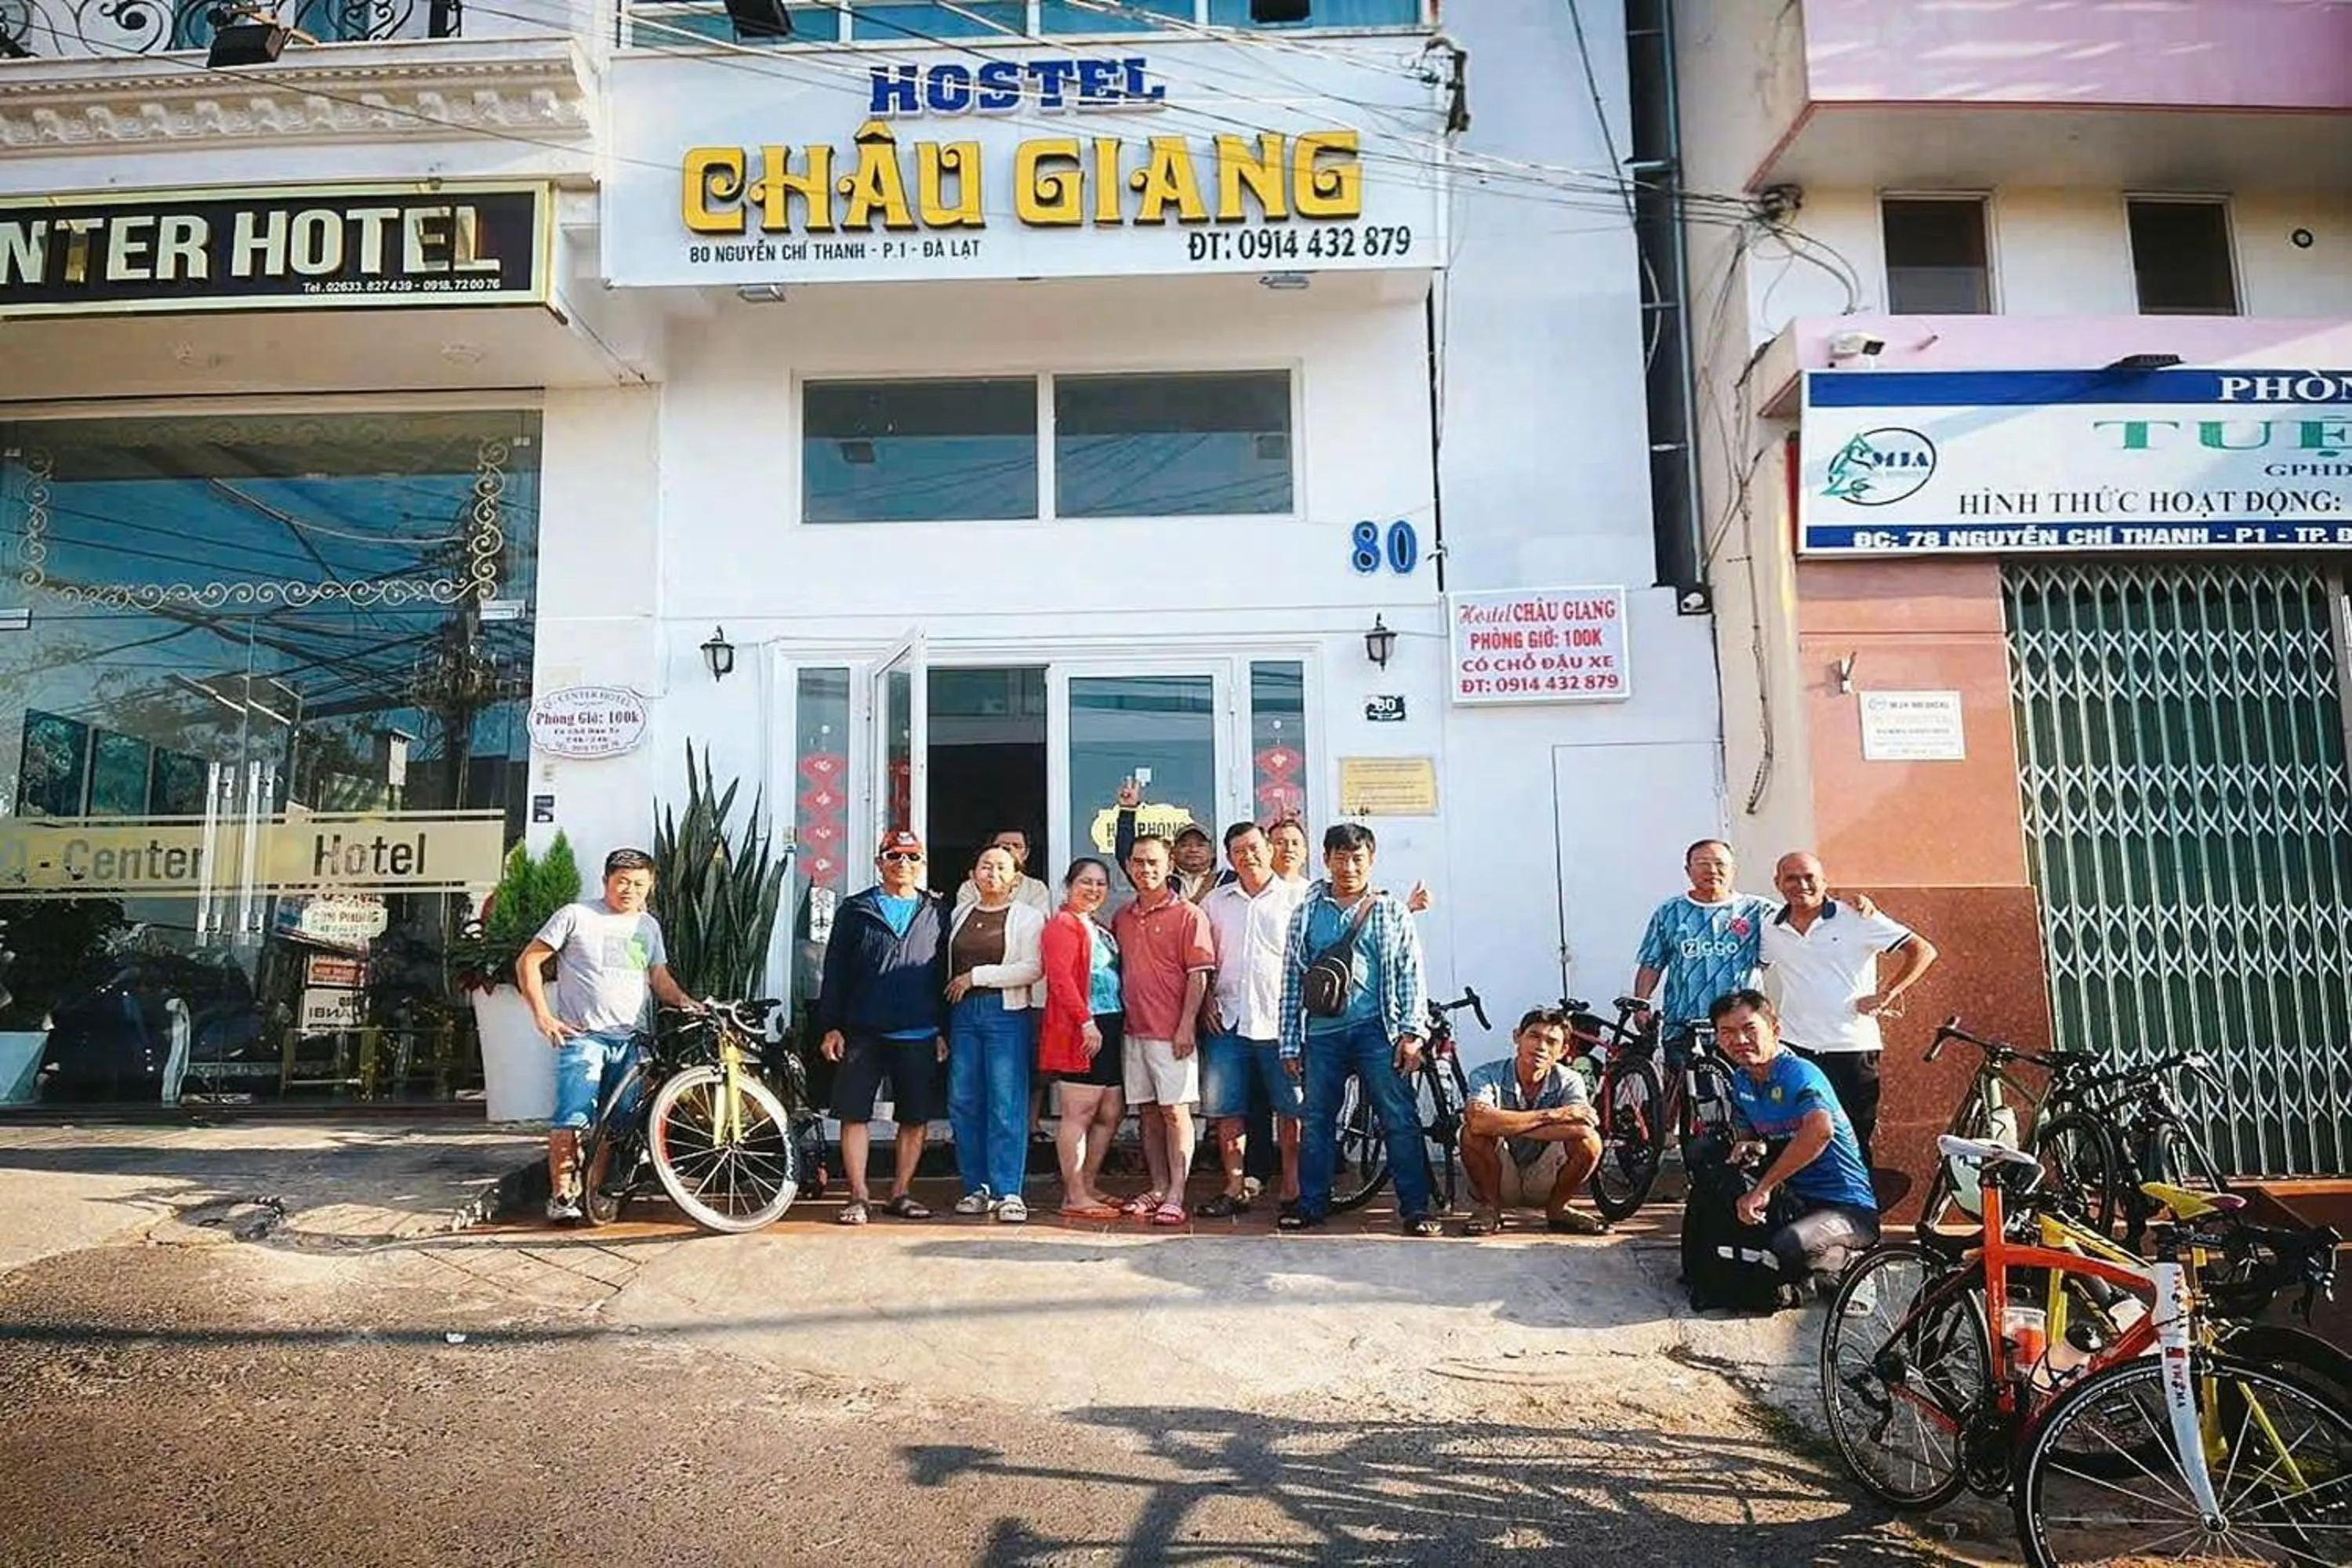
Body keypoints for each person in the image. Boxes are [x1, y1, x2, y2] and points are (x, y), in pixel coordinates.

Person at [517, 847, 701, 1223]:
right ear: (605, 881)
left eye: (638, 884)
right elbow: (529, 961)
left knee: (616, 1125)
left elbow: (658, 977)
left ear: (650, 886)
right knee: (572, 1118)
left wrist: (687, 1003)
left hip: (633, 1041)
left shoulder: (647, 926)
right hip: (584, 1038)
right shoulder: (577, 916)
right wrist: (543, 1016)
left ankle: (595, 1192)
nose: (629, 890)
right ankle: (562, 1196)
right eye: (621, 882)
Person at [1278, 823, 1437, 1236]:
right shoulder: (1307, 912)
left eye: (1357, 858)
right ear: (1326, 859)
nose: (1348, 866)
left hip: (1377, 1030)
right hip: (1322, 1034)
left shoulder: (1390, 910)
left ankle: (1415, 1210)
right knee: (1316, 1121)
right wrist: (1289, 1042)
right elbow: (1292, 979)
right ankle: (1311, 1205)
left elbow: (1409, 973)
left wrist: (1412, 1032)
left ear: (1371, 860)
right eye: (1340, 857)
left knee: (1399, 1119)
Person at [1759, 851, 1938, 1167]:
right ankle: (1805, 1214)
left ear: (1824, 882)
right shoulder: (1770, 927)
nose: (1801, 885)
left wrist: (1888, 993)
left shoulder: (1857, 917)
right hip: (1795, 1047)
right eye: (1791, 878)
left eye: (1809, 877)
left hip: (1852, 1047)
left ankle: (1859, 1214)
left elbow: (1922, 950)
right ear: (1778, 883)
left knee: (1853, 1136)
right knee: (1795, 1137)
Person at [1710, 989, 1882, 1300]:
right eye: (1728, 1033)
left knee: (1789, 1246)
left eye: (1750, 1029)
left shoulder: (1799, 1073)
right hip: (1795, 1200)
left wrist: (1762, 1188)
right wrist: (1744, 1152)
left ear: (1775, 1031)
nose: (1739, 1040)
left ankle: (1854, 1264)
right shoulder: (1741, 1081)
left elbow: (1819, 1131)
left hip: (1847, 1210)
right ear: (1719, 1040)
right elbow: (1747, 1134)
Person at [816, 829, 949, 1226]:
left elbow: (945, 972)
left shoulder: (937, 910)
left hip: (920, 1030)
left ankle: (901, 1192)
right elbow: (835, 970)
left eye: (911, 857)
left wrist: (945, 1029)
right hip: (863, 1030)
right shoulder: (856, 909)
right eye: (894, 856)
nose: (902, 864)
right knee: (854, 1114)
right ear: (880, 863)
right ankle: (858, 1194)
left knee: (915, 1117)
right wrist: (831, 1026)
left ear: (922, 864)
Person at [1197, 821, 1308, 1216]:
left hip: (1283, 1022)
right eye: (1239, 850)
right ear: (1229, 857)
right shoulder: (1215, 902)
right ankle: (1234, 1186)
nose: (1249, 855)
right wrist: (1206, 998)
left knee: (1291, 1109)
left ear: (1269, 849)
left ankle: (1293, 1188)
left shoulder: (1300, 897)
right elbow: (1202, 960)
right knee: (1229, 1109)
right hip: (1227, 1019)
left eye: (1255, 847)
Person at [1110, 833, 1217, 1226]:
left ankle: (1177, 1193)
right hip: (1134, 1030)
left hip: (1173, 1033)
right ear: (1128, 866)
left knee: (1176, 1112)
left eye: (1154, 862)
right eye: (1138, 862)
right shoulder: (1122, 916)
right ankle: (1157, 1188)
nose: (1146, 869)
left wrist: (1187, 1024)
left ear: (1170, 865)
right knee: (1148, 1113)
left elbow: (1199, 975)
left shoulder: (1190, 915)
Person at [946, 844, 1047, 1223]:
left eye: (1001, 867)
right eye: (985, 865)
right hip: (962, 1016)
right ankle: (976, 1187)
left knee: (1006, 1102)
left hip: (1005, 1014)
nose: (992, 873)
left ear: (1016, 878)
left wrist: (976, 977)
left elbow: (1032, 968)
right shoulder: (960, 914)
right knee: (963, 1100)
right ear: (973, 874)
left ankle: (1009, 1191)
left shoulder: (1028, 917)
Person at [1460, 1008, 1609, 1236]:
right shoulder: (1487, 1074)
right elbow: (1478, 1122)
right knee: (1471, 1134)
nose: (1541, 1047)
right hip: (1498, 1176)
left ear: (1563, 1051)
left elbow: (1581, 1127)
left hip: (1545, 1178)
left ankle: (1558, 1210)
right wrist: (1553, 1116)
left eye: (1551, 1041)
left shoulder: (1570, 1080)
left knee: (1590, 1140)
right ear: (1517, 1037)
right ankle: (1490, 1209)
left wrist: (1505, 1124)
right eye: (1534, 1036)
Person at [1038, 857, 1126, 1220]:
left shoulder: (1098, 927)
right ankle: (1073, 1194)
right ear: (1069, 885)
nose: (1093, 890)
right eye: (1085, 882)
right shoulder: (1062, 924)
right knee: (1079, 1112)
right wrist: (1085, 1021)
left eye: (1100, 884)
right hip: (1083, 1026)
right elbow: (1060, 980)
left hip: (1110, 1022)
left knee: (1111, 1110)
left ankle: (1088, 1184)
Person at [1629, 839, 1778, 1049]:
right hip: (1683, 1024)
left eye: (1720, 864)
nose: (1712, 870)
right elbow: (1652, 963)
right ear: (1688, 870)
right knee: (1682, 1080)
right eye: (1702, 863)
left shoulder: (1758, 911)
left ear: (1733, 869)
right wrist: (1641, 1004)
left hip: (1742, 1026)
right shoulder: (1670, 912)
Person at [1112, 779, 1227, 902]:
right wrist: (1127, 811)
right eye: (1185, 845)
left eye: (1200, 845)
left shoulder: (1228, 880)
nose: (1193, 850)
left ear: (1212, 851)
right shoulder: (1160, 879)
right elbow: (1125, 854)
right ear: (1173, 852)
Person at [953, 829, 1055, 919]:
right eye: (1003, 845)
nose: (1010, 849)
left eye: (1017, 846)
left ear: (1026, 853)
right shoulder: (969, 887)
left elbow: (1039, 923)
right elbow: (963, 923)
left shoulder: (1036, 888)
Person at [1268, 817, 1312, 887]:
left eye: (1295, 843)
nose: (1289, 849)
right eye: (1280, 843)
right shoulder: (1258, 891)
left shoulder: (1313, 893)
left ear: (1305, 852)